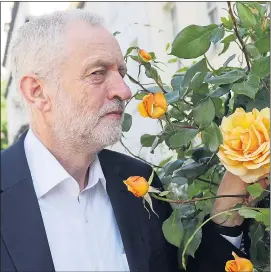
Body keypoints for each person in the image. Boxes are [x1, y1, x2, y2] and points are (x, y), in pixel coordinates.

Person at [1, 9, 268, 272]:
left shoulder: (140, 180)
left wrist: (225, 216)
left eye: (121, 72)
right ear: (37, 91)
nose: (125, 91)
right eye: (97, 73)